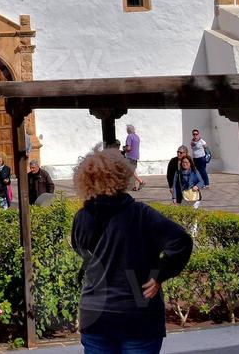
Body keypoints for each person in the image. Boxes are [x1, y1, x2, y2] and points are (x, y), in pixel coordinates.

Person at [70, 147, 193, 354]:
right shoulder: (141, 214)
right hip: (138, 311)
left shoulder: (82, 217)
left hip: (95, 311)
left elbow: (81, 249)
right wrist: (160, 274)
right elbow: (181, 241)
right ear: (122, 175)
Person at [121, 124, 144, 191]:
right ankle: (135, 187)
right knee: (133, 171)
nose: (126, 130)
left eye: (126, 129)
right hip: (136, 156)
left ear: (128, 130)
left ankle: (141, 182)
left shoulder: (129, 136)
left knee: (131, 171)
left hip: (130, 156)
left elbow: (129, 148)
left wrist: (124, 148)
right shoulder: (137, 137)